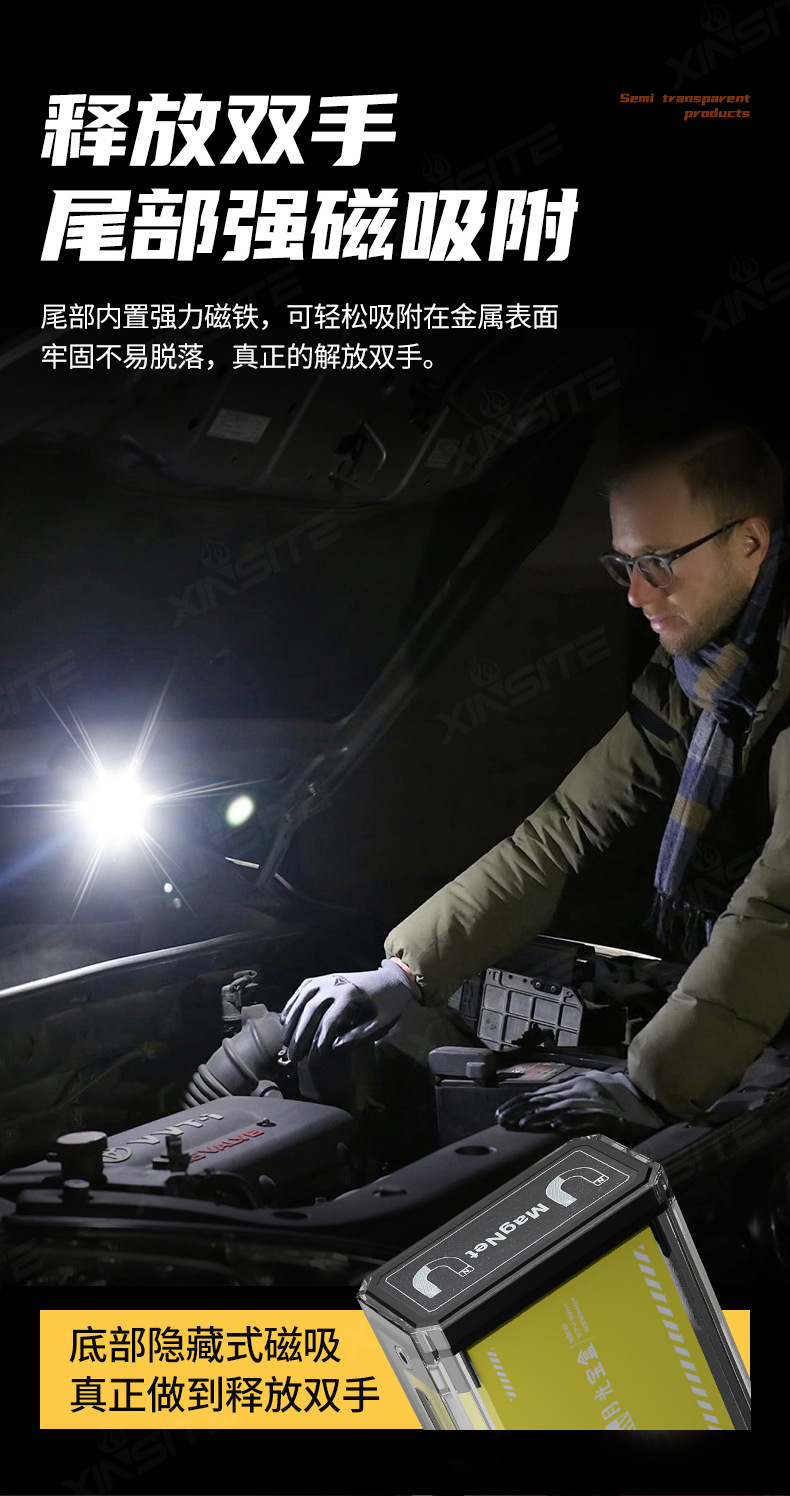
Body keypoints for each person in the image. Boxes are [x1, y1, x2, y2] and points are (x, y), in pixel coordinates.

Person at [282, 422, 790, 1135]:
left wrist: (655, 1087)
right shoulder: (703, 675)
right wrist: (405, 973)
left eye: (658, 563)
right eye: (623, 564)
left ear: (751, 543)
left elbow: (778, 908)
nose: (635, 595)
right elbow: (562, 831)